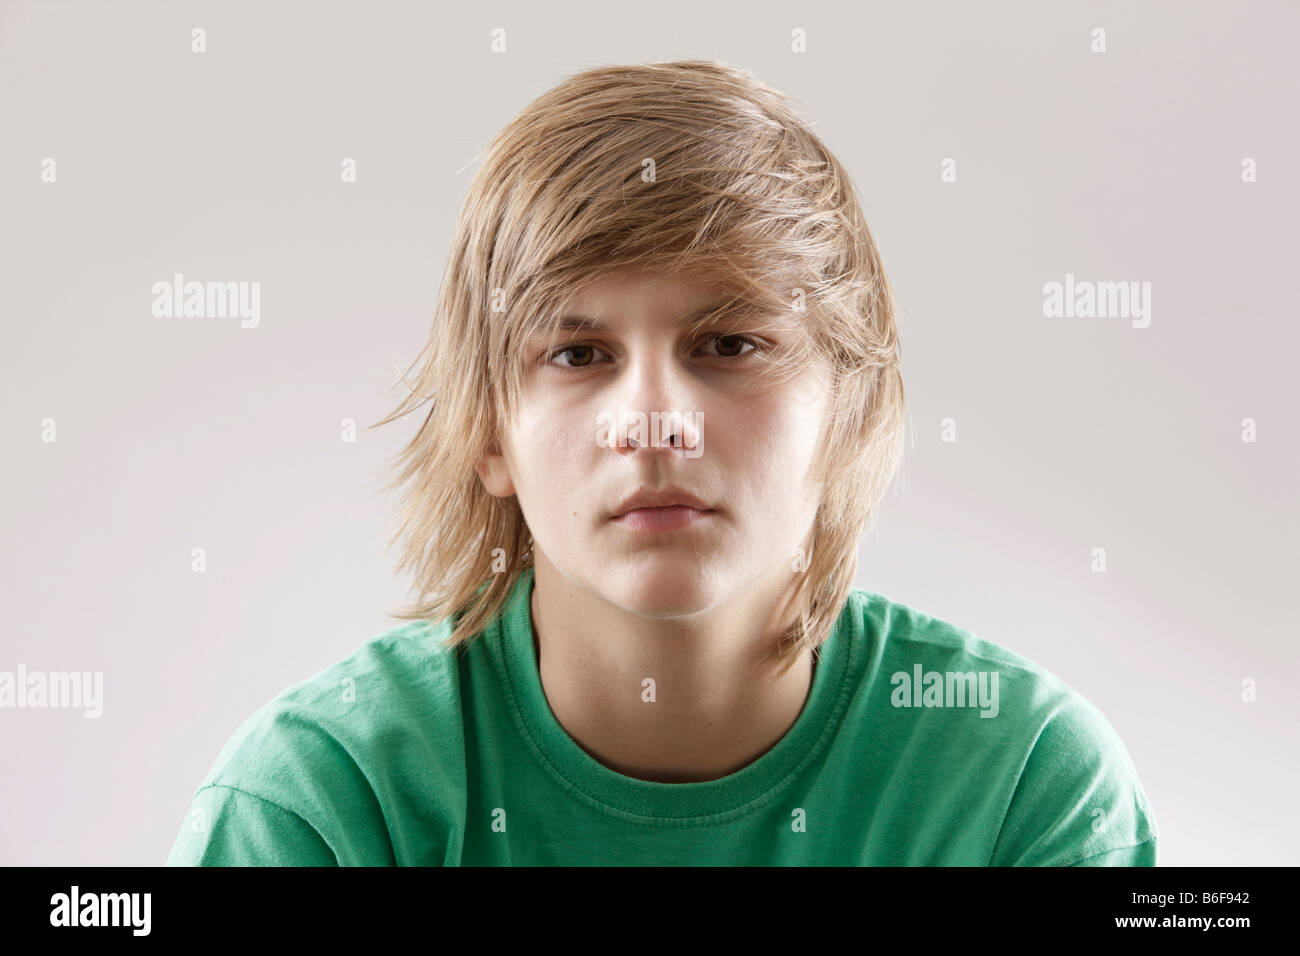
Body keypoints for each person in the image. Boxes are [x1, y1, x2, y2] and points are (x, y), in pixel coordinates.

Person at [166, 59, 1158, 866]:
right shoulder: (322, 802)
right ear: (489, 432)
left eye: (727, 345)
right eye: (577, 354)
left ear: (848, 408)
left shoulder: (1023, 780)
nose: (655, 424)